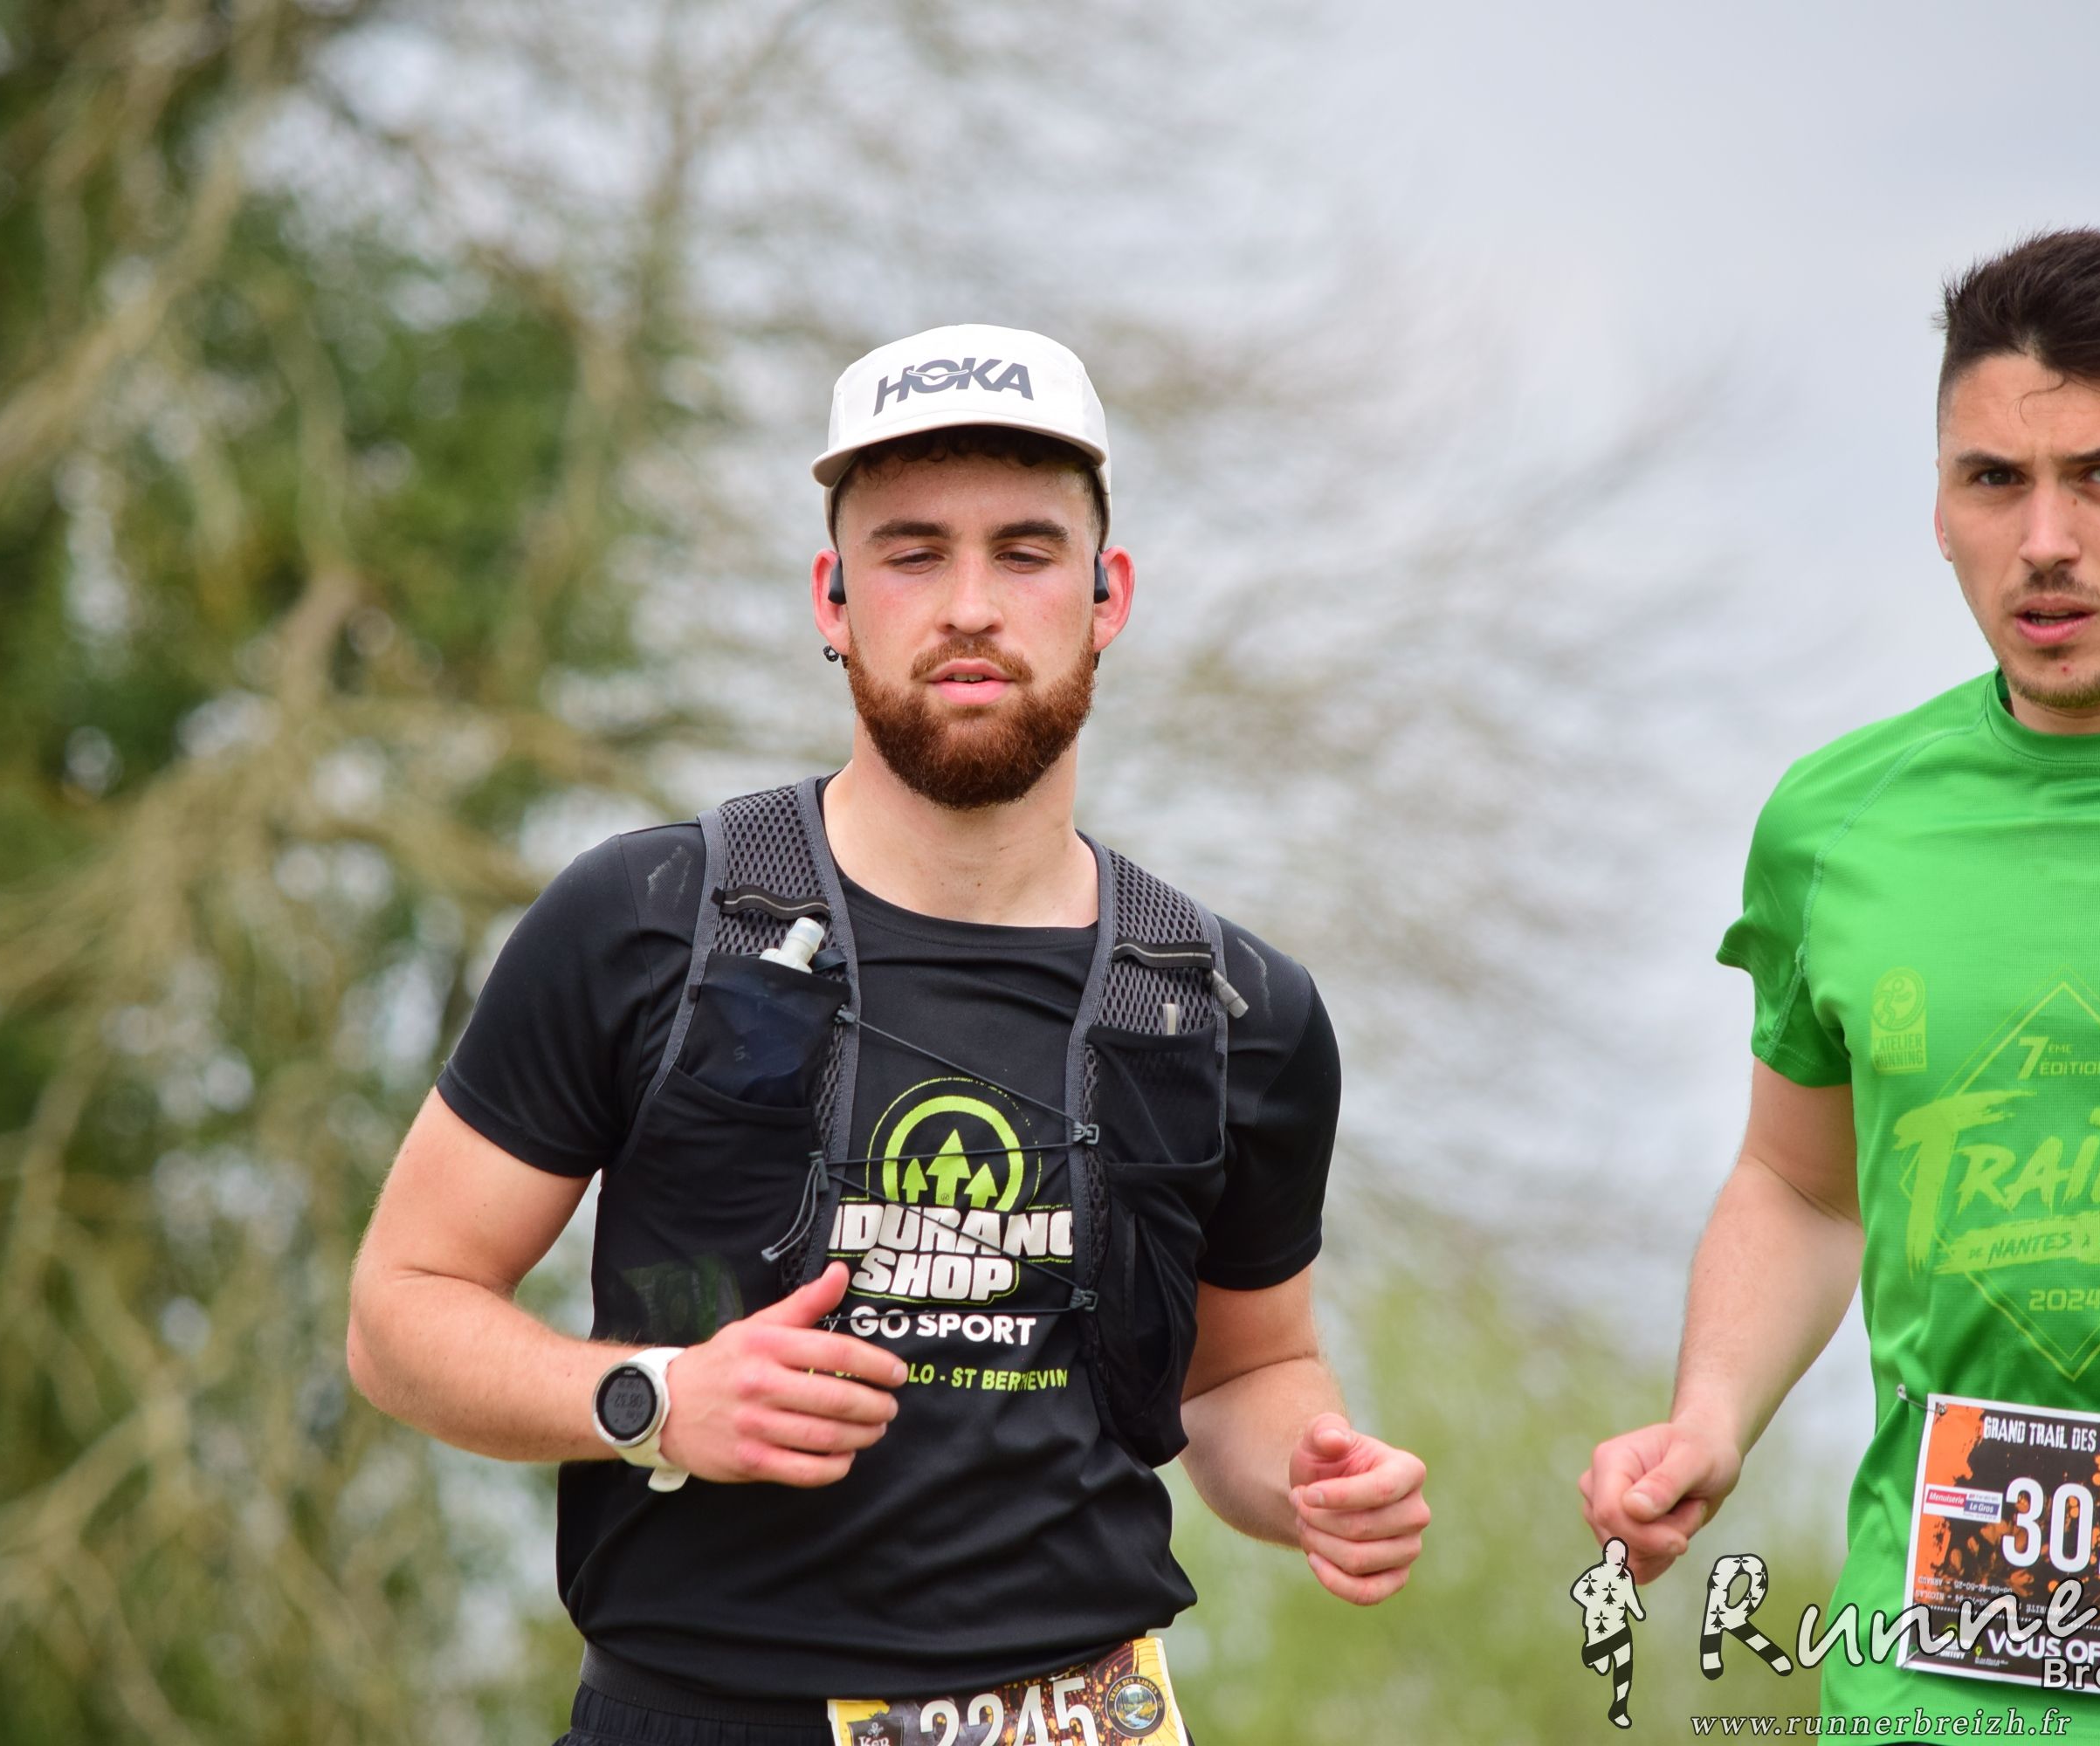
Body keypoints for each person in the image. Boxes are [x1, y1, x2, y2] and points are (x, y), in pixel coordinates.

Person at [348, 323, 1430, 1743]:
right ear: (836, 597)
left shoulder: (1234, 1010)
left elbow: (1245, 1374)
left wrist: (1312, 1480)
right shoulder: (649, 922)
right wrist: (654, 1398)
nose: (971, 606)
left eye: (1025, 553)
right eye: (913, 554)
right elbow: (400, 1311)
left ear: (1107, 595)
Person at [1581, 230, 2100, 1736]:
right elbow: (1805, 1187)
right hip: (1930, 1688)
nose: (2045, 539)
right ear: (1940, 506)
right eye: (1995, 479)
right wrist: (1710, 1416)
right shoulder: (1839, 824)